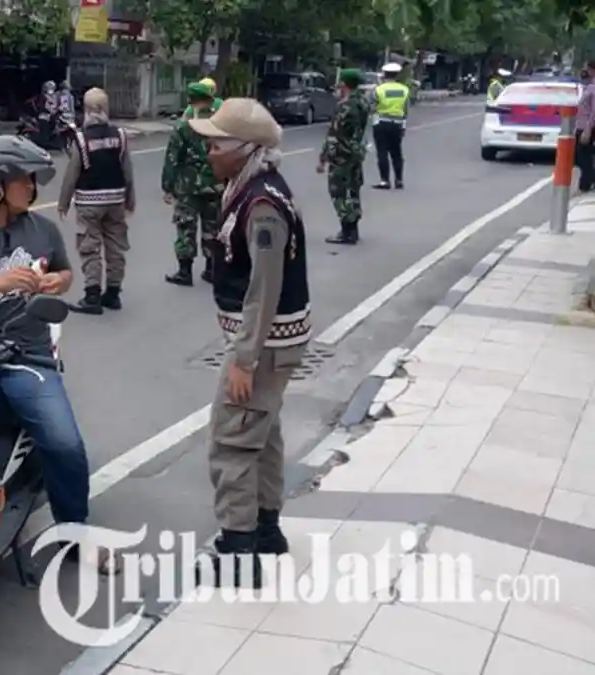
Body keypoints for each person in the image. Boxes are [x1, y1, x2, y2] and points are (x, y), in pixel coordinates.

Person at [0, 134, 119, 574]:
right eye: (23, 180)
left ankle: (76, 533)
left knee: (65, 444)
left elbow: (66, 273)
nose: (32, 188)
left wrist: (57, 283)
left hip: (24, 355)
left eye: (33, 180)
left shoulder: (43, 229)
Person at [189, 98, 311, 587]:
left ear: (244, 149)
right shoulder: (249, 190)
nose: (209, 151)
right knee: (263, 436)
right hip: (268, 344)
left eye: (215, 143)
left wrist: (244, 358)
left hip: (264, 346)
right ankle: (266, 529)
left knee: (233, 441)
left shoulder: (261, 206)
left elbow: (264, 289)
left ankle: (239, 551)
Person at [57, 87, 136, 314]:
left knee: (89, 247)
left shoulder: (81, 140)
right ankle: (113, 294)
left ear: (88, 110)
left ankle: (92, 296)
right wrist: (130, 200)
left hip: (89, 202)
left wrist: (63, 203)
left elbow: (71, 175)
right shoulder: (120, 136)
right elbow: (127, 171)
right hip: (116, 201)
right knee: (115, 246)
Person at [163, 81, 221, 285]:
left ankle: (185, 272)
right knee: (213, 226)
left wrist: (168, 186)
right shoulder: (219, 124)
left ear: (190, 100)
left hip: (187, 187)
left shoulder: (183, 126)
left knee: (186, 226)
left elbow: (172, 159)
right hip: (215, 184)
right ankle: (212, 269)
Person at [318, 68, 369, 245]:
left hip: (341, 154)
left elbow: (334, 134)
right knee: (353, 191)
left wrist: (323, 159)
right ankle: (353, 229)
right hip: (356, 153)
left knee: (338, 192)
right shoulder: (363, 102)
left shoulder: (345, 107)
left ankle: (346, 231)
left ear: (345, 85)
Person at [372, 62, 411, 190]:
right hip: (397, 124)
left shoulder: (379, 89)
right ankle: (399, 180)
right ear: (397, 75)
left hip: (381, 122)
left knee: (382, 152)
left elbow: (372, 106)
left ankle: (385, 181)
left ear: (384, 74)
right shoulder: (404, 89)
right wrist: (403, 125)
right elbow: (406, 110)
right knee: (397, 153)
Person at [576, 64, 595, 192]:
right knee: (583, 155)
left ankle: (587, 181)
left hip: (587, 127)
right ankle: (587, 180)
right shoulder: (590, 85)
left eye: (587, 68)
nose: (585, 71)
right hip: (582, 125)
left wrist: (588, 129)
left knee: (582, 156)